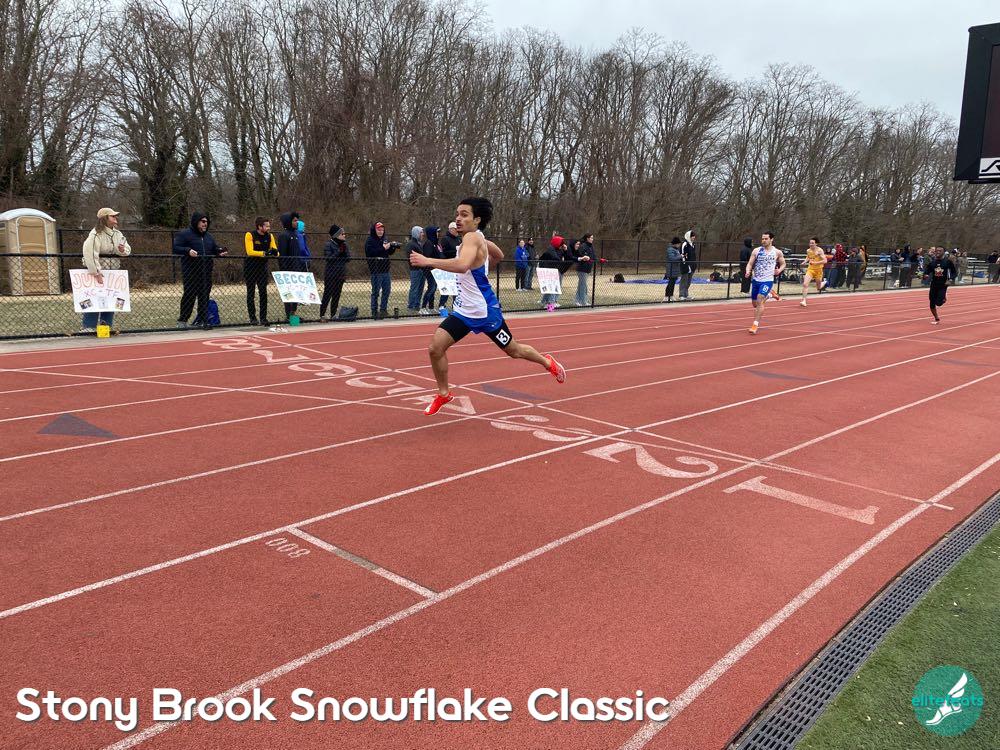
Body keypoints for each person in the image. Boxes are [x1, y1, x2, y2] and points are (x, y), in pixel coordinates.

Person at [408, 197, 566, 416]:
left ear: (477, 220)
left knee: (514, 350)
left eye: (464, 215)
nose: (458, 218)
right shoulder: (478, 238)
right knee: (436, 348)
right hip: (464, 312)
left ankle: (547, 362)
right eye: (457, 214)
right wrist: (483, 269)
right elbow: (498, 255)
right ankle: (444, 394)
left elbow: (462, 265)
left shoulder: (473, 237)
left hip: (485, 312)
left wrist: (428, 261)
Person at [81, 207, 131, 333]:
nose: (115, 218)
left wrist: (122, 250)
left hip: (112, 273)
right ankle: (89, 327)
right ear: (105, 218)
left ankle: (106, 326)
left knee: (111, 299)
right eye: (112, 216)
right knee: (92, 298)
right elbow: (90, 254)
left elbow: (127, 249)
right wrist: (96, 272)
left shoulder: (118, 234)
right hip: (97, 273)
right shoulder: (95, 234)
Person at [173, 212, 228, 328]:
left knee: (204, 297)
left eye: (207, 222)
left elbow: (214, 249)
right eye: (203, 221)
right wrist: (188, 250)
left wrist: (219, 251)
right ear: (196, 221)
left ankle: (203, 320)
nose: (205, 224)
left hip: (206, 272)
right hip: (191, 272)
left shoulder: (209, 237)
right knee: (189, 295)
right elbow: (175, 247)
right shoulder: (185, 234)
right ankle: (182, 321)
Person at [745, 231, 786, 335]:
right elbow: (750, 263)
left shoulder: (777, 252)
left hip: (767, 280)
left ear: (771, 239)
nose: (763, 240)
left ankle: (755, 325)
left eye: (766, 239)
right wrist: (748, 271)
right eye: (762, 239)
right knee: (755, 304)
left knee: (760, 300)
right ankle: (769, 295)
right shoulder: (756, 251)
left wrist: (779, 270)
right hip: (756, 280)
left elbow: (783, 264)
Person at [243, 216, 277, 326]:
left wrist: (274, 252)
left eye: (269, 226)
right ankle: (252, 318)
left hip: (262, 268)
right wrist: (264, 253)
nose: (268, 228)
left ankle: (263, 318)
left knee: (263, 293)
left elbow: (275, 251)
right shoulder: (250, 235)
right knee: (251, 293)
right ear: (259, 227)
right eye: (266, 226)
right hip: (250, 267)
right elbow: (250, 251)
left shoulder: (270, 236)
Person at [277, 211, 308, 321]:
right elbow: (282, 254)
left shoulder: (295, 235)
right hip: (287, 270)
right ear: (288, 222)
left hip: (296, 268)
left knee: (296, 293)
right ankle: (288, 315)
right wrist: (284, 269)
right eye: (294, 220)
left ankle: (293, 314)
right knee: (288, 293)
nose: (297, 222)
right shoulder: (283, 236)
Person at [365, 222, 396, 319]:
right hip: (376, 270)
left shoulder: (384, 239)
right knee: (376, 292)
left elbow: (388, 252)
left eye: (382, 230)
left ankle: (383, 310)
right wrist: (383, 248)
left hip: (385, 270)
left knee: (387, 291)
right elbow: (371, 253)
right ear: (374, 230)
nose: (381, 231)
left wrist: (392, 247)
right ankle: (374, 311)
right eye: (378, 230)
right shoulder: (370, 240)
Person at [320, 224, 350, 321]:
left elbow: (348, 258)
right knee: (327, 294)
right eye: (342, 234)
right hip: (330, 274)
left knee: (336, 295)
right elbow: (328, 258)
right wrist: (338, 252)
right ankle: (322, 314)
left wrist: (343, 253)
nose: (344, 235)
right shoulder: (328, 244)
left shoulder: (344, 245)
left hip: (340, 274)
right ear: (336, 235)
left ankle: (333, 314)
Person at [923, 246, 957, 324]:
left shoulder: (947, 262)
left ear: (943, 252)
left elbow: (954, 272)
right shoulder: (932, 262)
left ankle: (944, 297)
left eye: (940, 251)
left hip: (943, 284)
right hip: (934, 284)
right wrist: (925, 275)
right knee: (931, 302)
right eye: (937, 250)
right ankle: (936, 318)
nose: (938, 252)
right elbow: (926, 271)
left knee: (938, 303)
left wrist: (950, 279)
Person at [438, 222, 461, 312]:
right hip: (448, 265)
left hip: (457, 266)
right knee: (447, 287)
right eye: (455, 229)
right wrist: (455, 251)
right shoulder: (445, 239)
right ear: (451, 229)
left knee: (456, 287)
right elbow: (444, 252)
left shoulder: (459, 239)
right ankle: (442, 305)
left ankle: (455, 306)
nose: (457, 231)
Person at [800, 236, 827, 307]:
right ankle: (804, 300)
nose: (811, 244)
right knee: (805, 284)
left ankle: (824, 282)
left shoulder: (820, 250)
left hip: (818, 270)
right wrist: (804, 262)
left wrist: (815, 263)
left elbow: (825, 261)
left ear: (816, 244)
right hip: (810, 269)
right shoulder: (808, 250)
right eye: (810, 243)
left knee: (818, 288)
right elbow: (808, 257)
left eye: (812, 243)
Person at [405, 225, 426, 313]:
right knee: (414, 288)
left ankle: (417, 306)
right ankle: (411, 306)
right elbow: (413, 257)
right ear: (416, 233)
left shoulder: (419, 244)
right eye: (421, 232)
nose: (422, 234)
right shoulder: (411, 244)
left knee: (420, 288)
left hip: (421, 270)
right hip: (415, 270)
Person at [420, 226, 441, 315]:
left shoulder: (435, 243)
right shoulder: (428, 243)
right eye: (436, 232)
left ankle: (431, 307)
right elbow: (427, 256)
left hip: (436, 270)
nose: (438, 234)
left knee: (434, 288)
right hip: (429, 270)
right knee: (431, 288)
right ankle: (423, 307)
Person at [539, 237, 563, 309]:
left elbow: (561, 255)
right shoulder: (551, 249)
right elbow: (556, 257)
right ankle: (550, 305)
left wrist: (565, 250)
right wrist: (560, 259)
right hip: (547, 270)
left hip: (552, 269)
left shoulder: (558, 249)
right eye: (560, 243)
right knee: (551, 287)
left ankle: (544, 302)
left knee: (550, 287)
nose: (561, 245)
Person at [574, 233, 594, 306]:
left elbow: (593, 256)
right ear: (587, 238)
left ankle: (577, 300)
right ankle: (583, 301)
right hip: (582, 269)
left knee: (581, 285)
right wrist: (585, 257)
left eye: (592, 238)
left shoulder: (591, 246)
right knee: (583, 285)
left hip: (587, 268)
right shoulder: (583, 246)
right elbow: (581, 255)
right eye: (591, 238)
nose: (592, 239)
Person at [678, 230, 697, 300]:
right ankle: (681, 295)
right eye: (692, 236)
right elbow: (682, 255)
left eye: (694, 236)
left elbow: (694, 256)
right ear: (689, 236)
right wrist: (685, 264)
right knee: (684, 280)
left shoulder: (693, 245)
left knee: (688, 281)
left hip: (692, 266)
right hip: (685, 265)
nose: (693, 237)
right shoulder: (684, 244)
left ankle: (686, 294)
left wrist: (694, 264)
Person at [663, 237, 682, 302]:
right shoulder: (670, 249)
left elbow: (677, 258)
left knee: (673, 282)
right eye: (679, 244)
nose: (679, 245)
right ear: (675, 244)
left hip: (675, 268)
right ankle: (666, 296)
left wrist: (681, 257)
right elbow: (672, 258)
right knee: (670, 283)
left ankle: (671, 295)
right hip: (671, 269)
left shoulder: (676, 250)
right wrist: (680, 256)